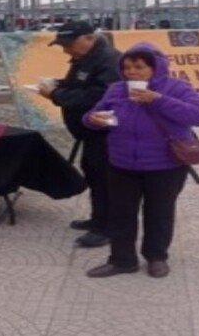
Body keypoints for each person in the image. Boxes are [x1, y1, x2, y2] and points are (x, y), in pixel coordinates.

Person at [82, 42, 199, 278]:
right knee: (121, 213)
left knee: (159, 213)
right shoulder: (116, 89)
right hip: (121, 163)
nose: (132, 72)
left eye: (139, 67)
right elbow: (91, 115)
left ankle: (156, 257)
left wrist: (158, 99)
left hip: (165, 165)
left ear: (156, 67)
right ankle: (122, 260)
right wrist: (93, 119)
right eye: (127, 67)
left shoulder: (177, 87)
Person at [39, 21, 121, 248]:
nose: (66, 50)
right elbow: (79, 85)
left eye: (69, 45)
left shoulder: (109, 61)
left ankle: (107, 227)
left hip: (106, 132)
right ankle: (98, 218)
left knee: (105, 179)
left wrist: (56, 94)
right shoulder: (86, 58)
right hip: (90, 132)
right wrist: (58, 83)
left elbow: (97, 97)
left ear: (89, 38)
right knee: (93, 175)